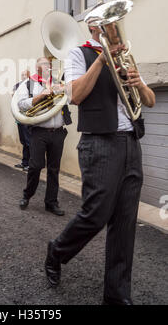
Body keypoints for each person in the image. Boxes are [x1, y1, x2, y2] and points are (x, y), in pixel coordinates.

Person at [44, 21, 155, 305]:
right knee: (96, 214)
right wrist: (102, 61)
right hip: (100, 143)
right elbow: (76, 95)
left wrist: (138, 82)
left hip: (131, 142)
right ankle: (57, 251)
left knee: (125, 221)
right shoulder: (79, 54)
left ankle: (117, 296)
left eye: (117, 28)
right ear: (96, 31)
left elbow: (150, 101)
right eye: (110, 29)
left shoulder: (125, 60)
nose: (117, 34)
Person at [18, 58, 71, 216]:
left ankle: (51, 202)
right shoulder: (29, 84)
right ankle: (27, 195)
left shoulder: (57, 82)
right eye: (45, 64)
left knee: (54, 169)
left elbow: (71, 99)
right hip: (39, 131)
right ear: (37, 67)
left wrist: (63, 89)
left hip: (58, 131)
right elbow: (20, 104)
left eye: (49, 65)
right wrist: (40, 96)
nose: (49, 67)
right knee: (35, 166)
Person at [13, 70, 31, 172]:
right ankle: (24, 162)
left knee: (29, 142)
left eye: (25, 75)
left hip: (27, 118)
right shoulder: (17, 85)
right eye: (22, 75)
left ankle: (29, 164)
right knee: (23, 141)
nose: (23, 76)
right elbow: (13, 98)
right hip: (19, 118)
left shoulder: (31, 85)